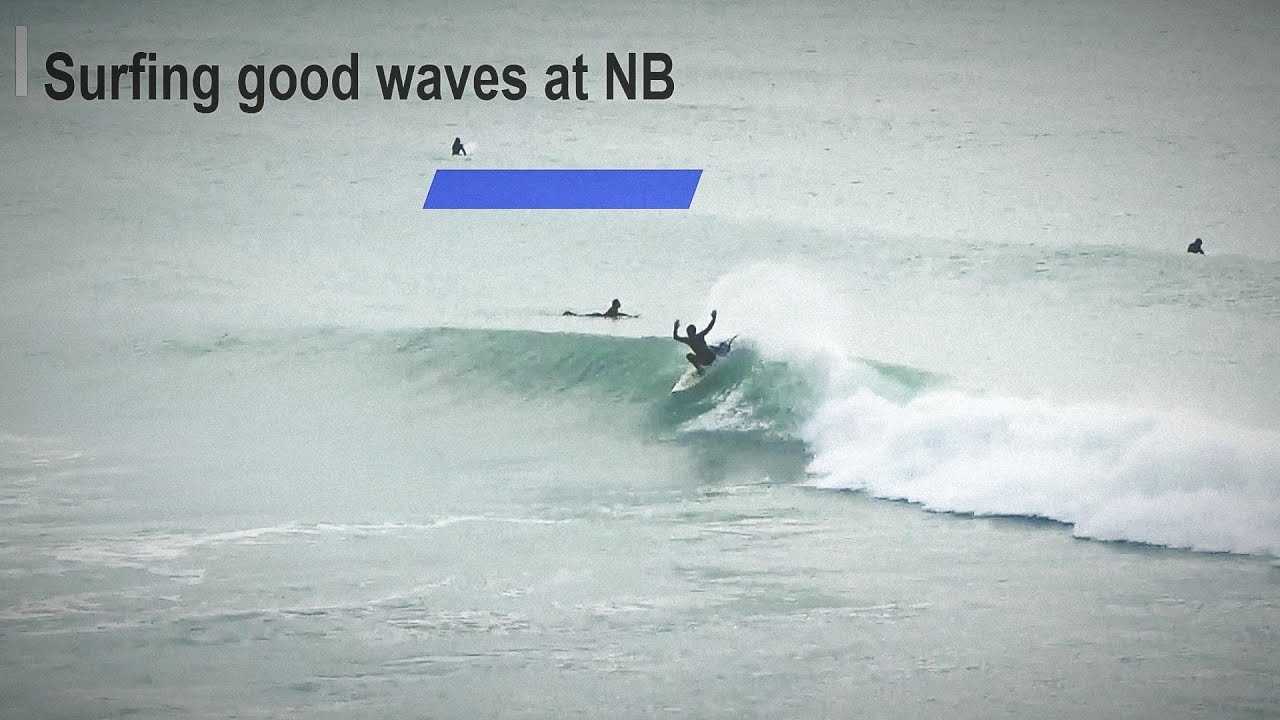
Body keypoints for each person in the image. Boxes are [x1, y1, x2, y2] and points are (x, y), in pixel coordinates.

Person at [562, 299, 634, 318]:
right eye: (618, 303)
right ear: (616, 304)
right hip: (600, 316)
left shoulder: (614, 309)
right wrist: (630, 316)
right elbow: (617, 314)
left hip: (600, 315)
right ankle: (571, 314)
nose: (620, 304)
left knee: (585, 315)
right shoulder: (613, 309)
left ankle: (571, 314)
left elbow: (618, 314)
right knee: (583, 316)